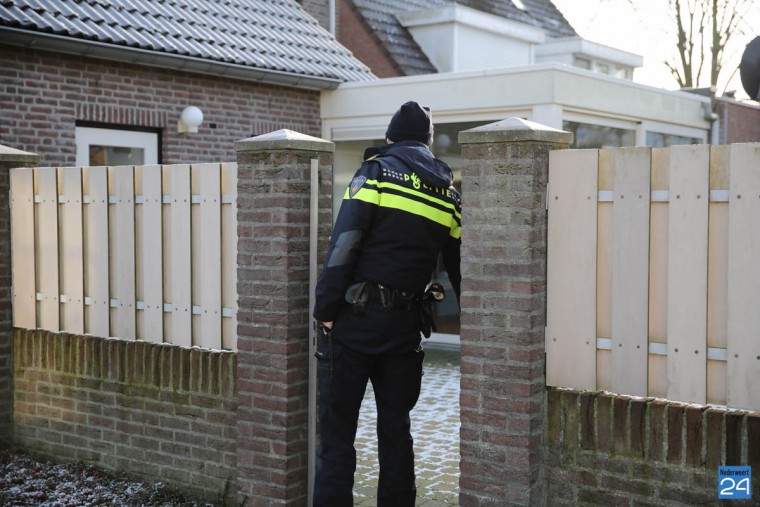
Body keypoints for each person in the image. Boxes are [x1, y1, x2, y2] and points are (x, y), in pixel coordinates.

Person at [312, 101, 462, 506]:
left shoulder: (376, 174)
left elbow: (345, 245)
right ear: (429, 142)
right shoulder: (448, 194)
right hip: (405, 327)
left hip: (355, 323)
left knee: (338, 433)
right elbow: (460, 268)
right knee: (396, 430)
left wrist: (325, 310)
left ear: (390, 137)